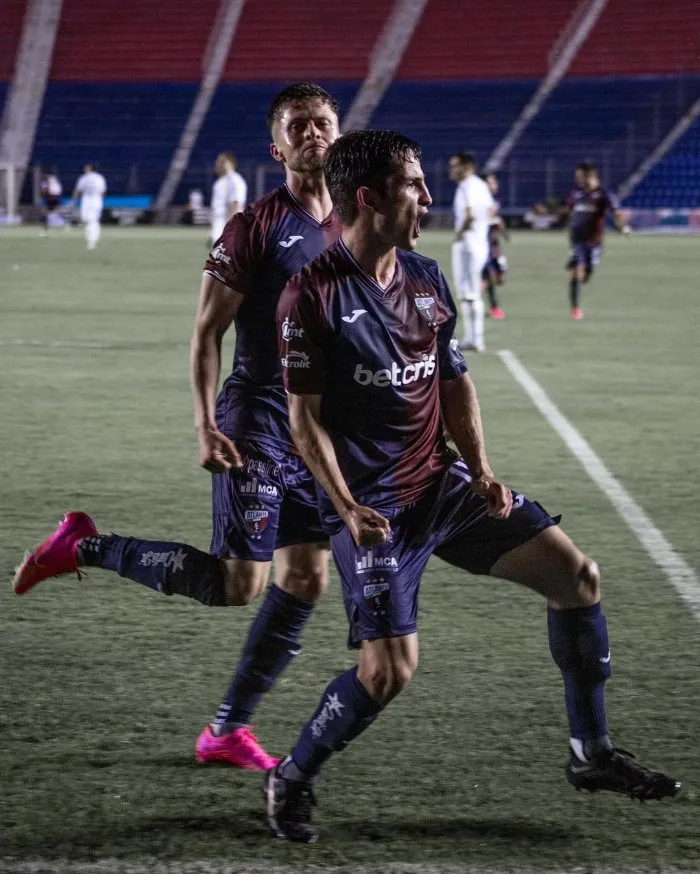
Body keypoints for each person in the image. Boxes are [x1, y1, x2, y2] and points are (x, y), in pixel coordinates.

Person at [265, 129, 680, 843]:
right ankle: (292, 774)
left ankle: (592, 754)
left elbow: (453, 380)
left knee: (577, 578)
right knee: (388, 672)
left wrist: (481, 470)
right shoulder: (313, 297)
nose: (430, 196)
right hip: (375, 510)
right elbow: (303, 424)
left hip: (443, 487)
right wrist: (347, 507)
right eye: (414, 185)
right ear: (369, 197)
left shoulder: (426, 278)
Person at [14, 83, 342, 772]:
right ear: (275, 146)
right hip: (255, 418)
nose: (313, 134)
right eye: (298, 126)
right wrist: (203, 424)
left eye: (323, 123)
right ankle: (87, 546)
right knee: (239, 583)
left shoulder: (352, 223)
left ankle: (226, 732)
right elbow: (205, 333)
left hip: (315, 428)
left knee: (308, 577)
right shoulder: (253, 227)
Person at [566, 164, 629, 319]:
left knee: (586, 275)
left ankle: (583, 270)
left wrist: (623, 227)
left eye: (581, 176)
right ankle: (575, 309)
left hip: (594, 241)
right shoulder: (576, 193)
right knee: (577, 272)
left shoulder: (603, 194)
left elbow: (616, 212)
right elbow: (569, 209)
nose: (578, 179)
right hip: (577, 239)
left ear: (590, 176)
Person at [448, 152, 494, 352]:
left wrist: (459, 234)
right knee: (470, 291)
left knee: (469, 292)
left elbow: (470, 214)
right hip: (479, 242)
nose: (451, 170)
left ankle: (475, 339)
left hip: (468, 244)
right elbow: (491, 210)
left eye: (455, 166)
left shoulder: (468, 186)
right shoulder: (481, 185)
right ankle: (474, 337)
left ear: (467, 167)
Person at [482, 172, 507, 319]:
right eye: (491, 183)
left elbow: (497, 220)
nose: (495, 185)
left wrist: (503, 231)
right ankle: (495, 308)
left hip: (494, 246)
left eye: (494, 182)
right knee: (491, 277)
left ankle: (480, 285)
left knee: (501, 278)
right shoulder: (481, 201)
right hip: (484, 246)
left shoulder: (496, 200)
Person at [210, 151, 248, 244]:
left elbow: (236, 204)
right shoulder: (222, 181)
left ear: (230, 164)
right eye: (218, 162)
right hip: (219, 224)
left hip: (225, 224)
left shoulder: (235, 181)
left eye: (221, 162)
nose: (218, 164)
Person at [71, 164, 107, 250]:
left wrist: (73, 200)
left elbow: (78, 190)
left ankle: (92, 240)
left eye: (86, 168)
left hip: (88, 202)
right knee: (88, 220)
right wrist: (100, 200)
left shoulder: (84, 178)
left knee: (92, 221)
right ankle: (92, 239)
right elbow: (103, 191)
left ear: (90, 169)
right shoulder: (99, 177)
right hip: (95, 201)